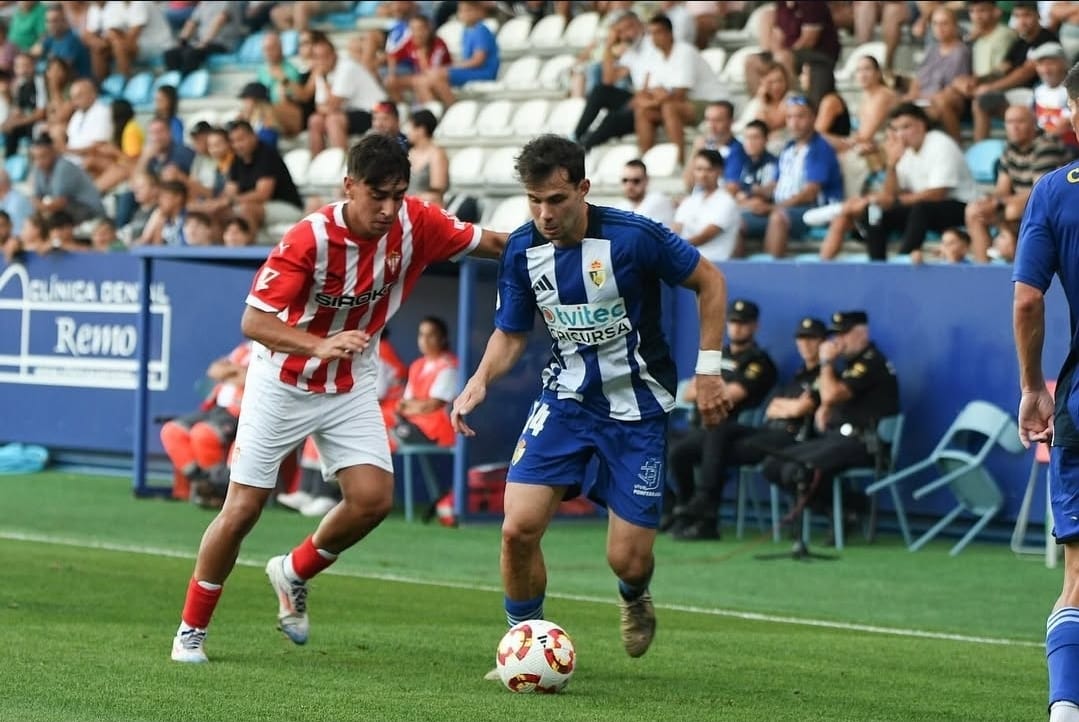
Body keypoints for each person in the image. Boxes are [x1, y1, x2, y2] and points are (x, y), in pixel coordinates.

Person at [169, 133, 509, 664]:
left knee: (373, 500)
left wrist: (564, 240)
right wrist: (319, 344)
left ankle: (293, 571)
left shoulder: (415, 223)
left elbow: (492, 243)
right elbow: (253, 321)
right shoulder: (309, 239)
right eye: (378, 194)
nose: (389, 207)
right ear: (348, 186)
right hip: (282, 380)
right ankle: (191, 630)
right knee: (241, 511)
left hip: (349, 382)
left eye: (398, 194)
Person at [449, 135, 730, 672]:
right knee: (517, 529)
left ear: (583, 188)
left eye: (556, 200)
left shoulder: (634, 238)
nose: (544, 214)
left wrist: (709, 371)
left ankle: (634, 594)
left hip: (638, 408)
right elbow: (510, 333)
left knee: (627, 558)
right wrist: (479, 380)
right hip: (566, 401)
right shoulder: (522, 250)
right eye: (534, 200)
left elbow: (710, 281)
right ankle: (523, 645)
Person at [1013, 61, 1079, 722]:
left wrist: (1034, 386)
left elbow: (1027, 301)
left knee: (1076, 581)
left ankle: (1064, 712)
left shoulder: (1054, 191)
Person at [761, 310, 899, 526]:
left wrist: (826, 363)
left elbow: (832, 393)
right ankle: (846, 509)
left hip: (865, 444)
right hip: (838, 438)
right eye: (836, 335)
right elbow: (831, 397)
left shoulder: (871, 362)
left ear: (862, 333)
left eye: (844, 334)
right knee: (773, 465)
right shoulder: (851, 364)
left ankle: (846, 510)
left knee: (798, 470)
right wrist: (826, 406)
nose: (839, 341)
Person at [665, 299, 779, 539]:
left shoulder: (759, 362)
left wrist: (708, 386)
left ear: (754, 326)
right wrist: (713, 387)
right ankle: (685, 508)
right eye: (733, 322)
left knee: (717, 433)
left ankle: (705, 509)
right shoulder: (716, 356)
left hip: (738, 428)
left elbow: (732, 395)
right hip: (704, 428)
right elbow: (688, 392)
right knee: (676, 451)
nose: (736, 328)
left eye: (743, 323)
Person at [160, 340, 253, 504]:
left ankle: (217, 489)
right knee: (172, 431)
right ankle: (201, 482)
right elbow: (215, 371)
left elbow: (252, 380)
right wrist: (237, 371)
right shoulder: (245, 348)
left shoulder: (275, 350)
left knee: (203, 434)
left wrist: (233, 372)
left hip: (242, 412)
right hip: (215, 408)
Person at [390, 315, 458, 450]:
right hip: (414, 425)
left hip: (438, 433)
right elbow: (404, 403)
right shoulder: (417, 365)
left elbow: (431, 406)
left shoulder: (450, 366)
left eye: (431, 335)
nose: (425, 340)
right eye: (422, 335)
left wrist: (411, 408)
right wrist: (413, 407)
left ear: (442, 338)